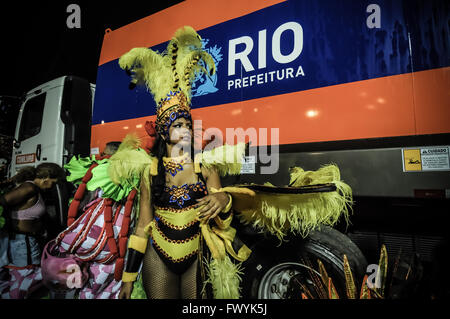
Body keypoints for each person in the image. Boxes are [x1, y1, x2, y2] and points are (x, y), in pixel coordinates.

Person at [0, 163, 65, 298]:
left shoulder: (34, 189)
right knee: (27, 276)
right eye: (53, 183)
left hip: (27, 241)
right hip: (22, 242)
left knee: (26, 276)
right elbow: (3, 201)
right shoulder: (30, 188)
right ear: (45, 178)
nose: (52, 187)